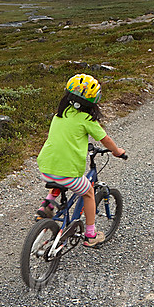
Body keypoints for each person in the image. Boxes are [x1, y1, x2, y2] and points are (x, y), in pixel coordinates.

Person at [36, 73, 126, 248]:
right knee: (88, 192)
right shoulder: (87, 119)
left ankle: (47, 204)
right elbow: (105, 140)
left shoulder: (60, 114)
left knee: (58, 176)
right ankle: (90, 234)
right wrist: (117, 151)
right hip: (67, 173)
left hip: (45, 168)